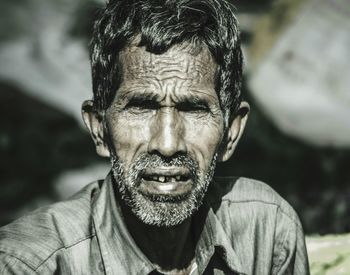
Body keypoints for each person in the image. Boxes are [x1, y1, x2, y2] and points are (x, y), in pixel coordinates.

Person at [0, 0, 309, 274]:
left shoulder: (266, 231)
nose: (167, 144)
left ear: (231, 133)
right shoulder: (27, 264)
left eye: (194, 109)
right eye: (141, 108)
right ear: (98, 129)